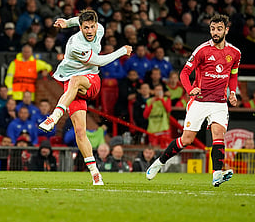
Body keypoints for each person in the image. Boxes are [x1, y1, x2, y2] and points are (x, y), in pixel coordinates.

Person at [39, 10, 132, 185]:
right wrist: (122, 51)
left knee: (75, 79)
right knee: (80, 131)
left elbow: (97, 63)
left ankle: (54, 117)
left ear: (96, 25)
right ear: (80, 28)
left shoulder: (100, 29)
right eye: (85, 28)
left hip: (91, 81)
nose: (89, 31)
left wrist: (67, 22)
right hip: (72, 86)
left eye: (92, 27)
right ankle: (95, 173)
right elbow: (100, 60)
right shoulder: (76, 45)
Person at [146, 15, 241, 187]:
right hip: (200, 101)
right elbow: (183, 73)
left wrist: (232, 93)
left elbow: (233, 76)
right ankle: (159, 163)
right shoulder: (202, 50)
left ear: (226, 30)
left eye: (219, 29)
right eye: (212, 28)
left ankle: (217, 174)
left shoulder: (235, 53)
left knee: (218, 135)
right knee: (187, 139)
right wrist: (191, 91)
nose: (215, 32)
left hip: (219, 103)